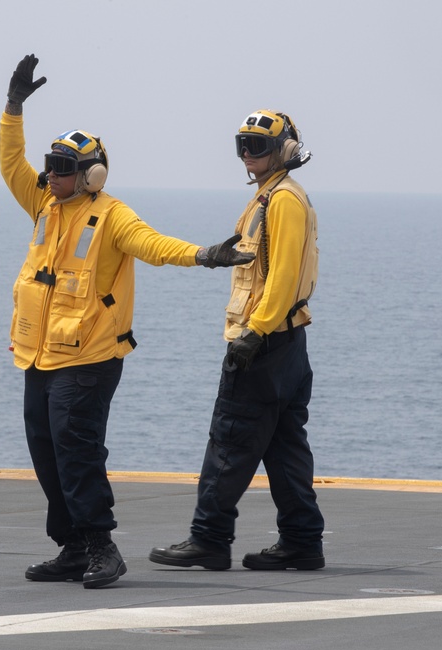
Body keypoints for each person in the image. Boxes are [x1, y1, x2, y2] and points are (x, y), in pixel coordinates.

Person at [0, 54, 254, 589]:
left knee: (77, 450)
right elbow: (10, 165)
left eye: (63, 168)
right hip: (40, 354)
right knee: (46, 453)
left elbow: (154, 245)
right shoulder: (46, 203)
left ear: (92, 173)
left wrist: (205, 255)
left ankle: (101, 547)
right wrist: (13, 107)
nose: (51, 174)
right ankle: (72, 547)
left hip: (89, 357)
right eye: (51, 165)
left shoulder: (113, 216)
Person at [149, 109, 325, 571]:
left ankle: (209, 538)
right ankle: (302, 540)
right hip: (288, 346)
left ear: (284, 148)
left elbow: (283, 277)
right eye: (242, 145)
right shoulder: (273, 196)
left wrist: (254, 334)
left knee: (229, 441)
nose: (248, 154)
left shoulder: (282, 200)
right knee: (284, 447)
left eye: (258, 146)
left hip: (263, 345)